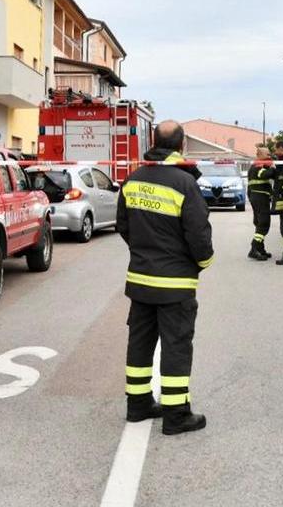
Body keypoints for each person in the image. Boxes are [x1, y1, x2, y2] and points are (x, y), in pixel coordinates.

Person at [116, 120, 213, 435]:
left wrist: (145, 252)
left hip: (141, 280)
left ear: (153, 142)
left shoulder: (132, 181)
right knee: (176, 346)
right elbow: (198, 234)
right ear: (181, 146)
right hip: (175, 284)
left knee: (140, 344)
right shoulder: (184, 184)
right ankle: (176, 415)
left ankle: (138, 405)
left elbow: (123, 226)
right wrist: (203, 261)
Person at [246, 147, 274, 261]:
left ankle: (260, 249)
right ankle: (254, 248)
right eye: (267, 154)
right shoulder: (259, 165)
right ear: (260, 155)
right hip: (260, 197)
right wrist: (273, 168)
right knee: (264, 223)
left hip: (257, 196)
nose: (269, 156)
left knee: (259, 222)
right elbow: (265, 175)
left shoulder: (256, 165)